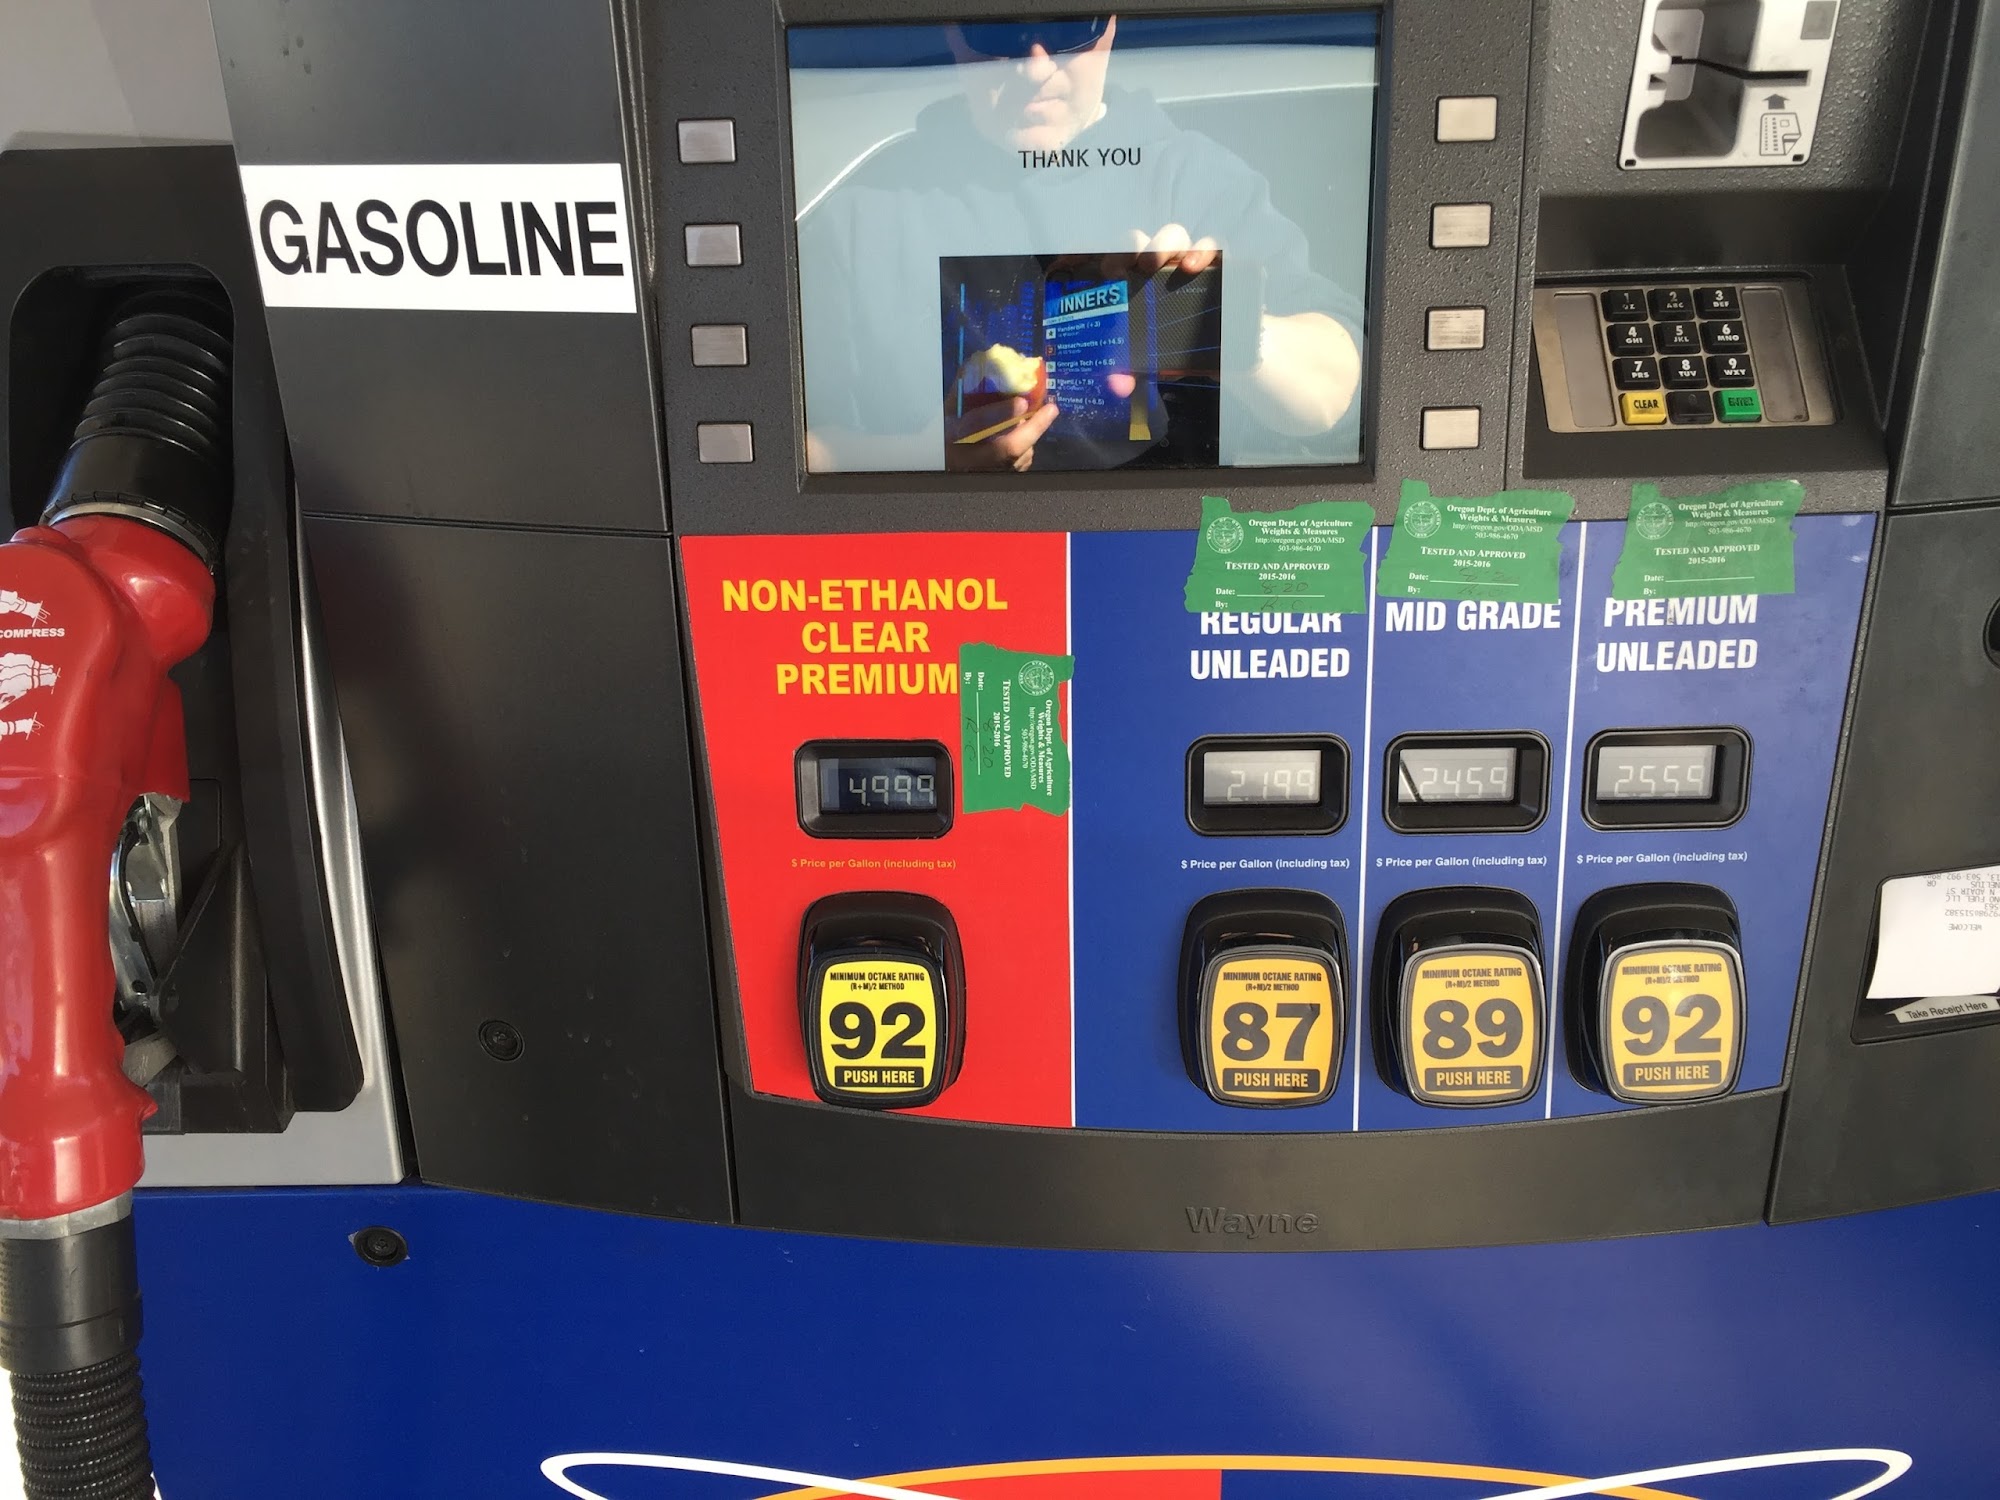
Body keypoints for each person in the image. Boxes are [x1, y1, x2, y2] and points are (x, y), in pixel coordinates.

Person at [796, 15, 1367, 473]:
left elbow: (1338, 393)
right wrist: (925, 458)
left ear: (1110, 25)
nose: (1036, 66)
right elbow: (793, 442)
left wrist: (1217, 319)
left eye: (1069, 26)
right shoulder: (862, 211)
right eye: (1000, 29)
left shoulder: (1193, 179)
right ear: (953, 29)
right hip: (957, 565)